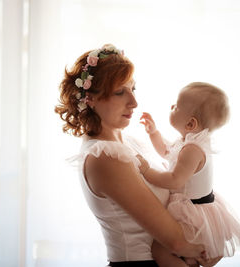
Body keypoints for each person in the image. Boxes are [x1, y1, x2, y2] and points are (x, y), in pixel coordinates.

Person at [55, 44, 221, 267]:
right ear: (91, 99)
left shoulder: (126, 142)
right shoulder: (106, 157)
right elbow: (176, 242)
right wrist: (207, 247)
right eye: (119, 92)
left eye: (133, 89)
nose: (134, 102)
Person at [138, 82, 240, 267]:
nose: (171, 107)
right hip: (197, 208)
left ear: (190, 123)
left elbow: (175, 180)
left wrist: (146, 171)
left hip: (193, 213)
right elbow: (167, 151)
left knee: (159, 250)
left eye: (176, 106)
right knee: (188, 258)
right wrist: (153, 132)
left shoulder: (193, 150)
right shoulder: (189, 142)